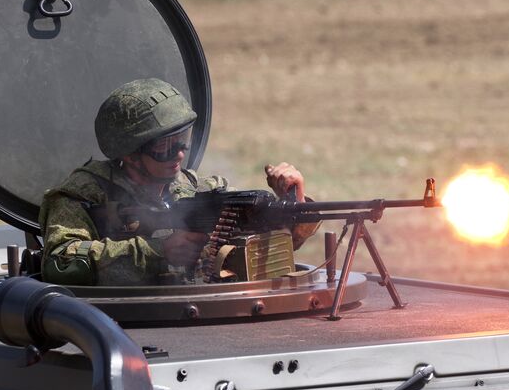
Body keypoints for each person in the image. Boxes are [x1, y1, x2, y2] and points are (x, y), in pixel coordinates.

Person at [39, 78, 314, 286]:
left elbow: (277, 242)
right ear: (130, 154)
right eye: (165, 146)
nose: (180, 153)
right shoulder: (84, 195)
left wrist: (294, 203)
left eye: (182, 139)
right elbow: (60, 262)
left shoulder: (199, 190)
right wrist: (156, 252)